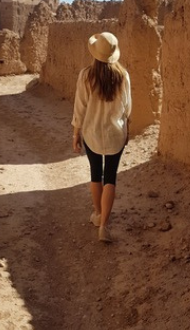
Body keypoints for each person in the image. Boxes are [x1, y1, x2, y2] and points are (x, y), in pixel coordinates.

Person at [72, 32, 132, 243]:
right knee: (111, 177)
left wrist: (76, 133)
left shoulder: (86, 75)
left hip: (92, 133)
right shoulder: (123, 76)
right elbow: (127, 107)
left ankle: (98, 214)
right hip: (116, 133)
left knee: (96, 174)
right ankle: (104, 226)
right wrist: (128, 129)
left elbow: (80, 108)